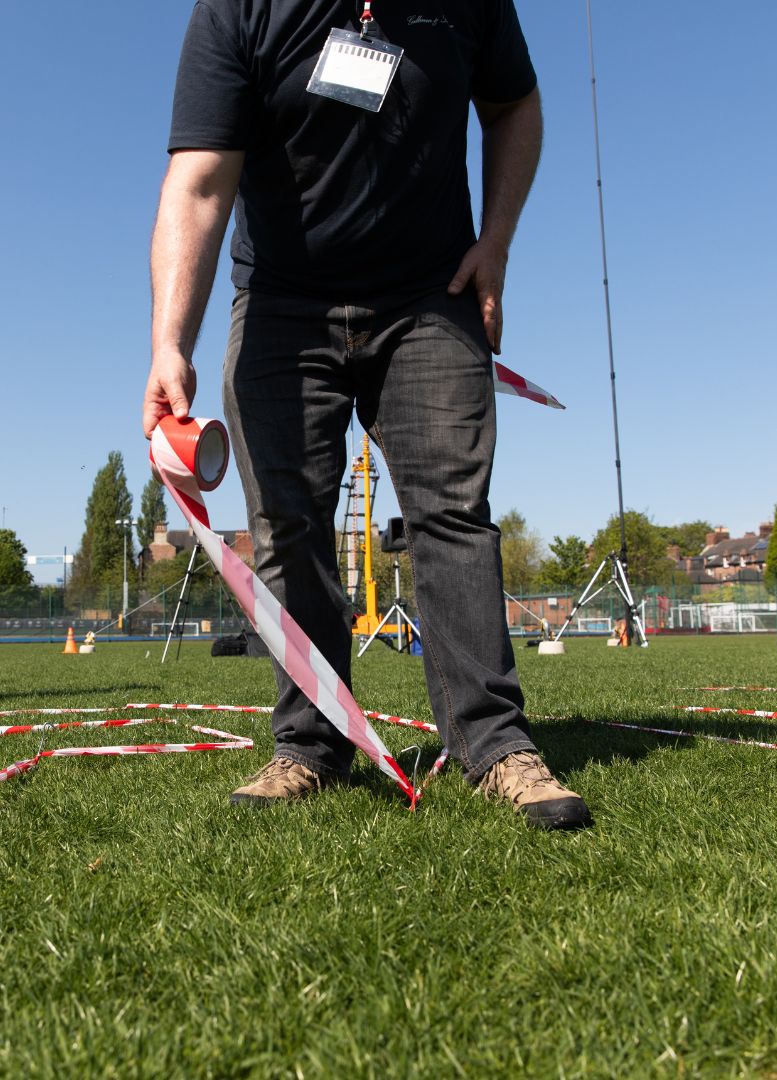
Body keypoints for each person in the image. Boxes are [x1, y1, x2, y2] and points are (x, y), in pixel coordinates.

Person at [143, 0, 591, 830]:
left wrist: (495, 244)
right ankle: (307, 747)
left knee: (454, 513)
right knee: (288, 523)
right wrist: (172, 341)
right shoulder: (239, 9)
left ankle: (495, 746)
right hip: (282, 303)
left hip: (430, 298)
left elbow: (515, 106)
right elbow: (200, 183)